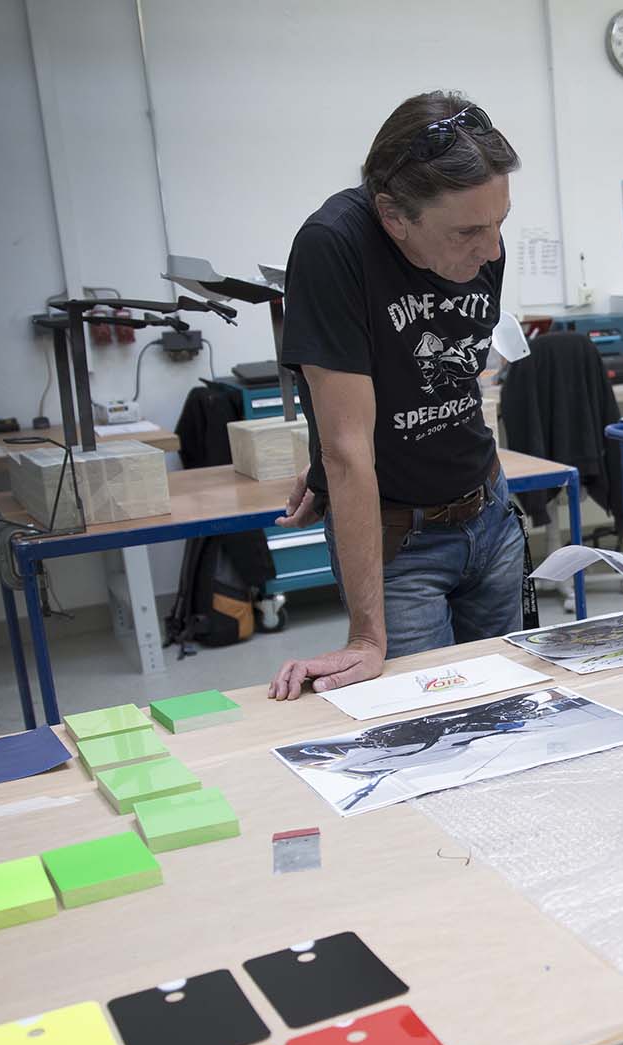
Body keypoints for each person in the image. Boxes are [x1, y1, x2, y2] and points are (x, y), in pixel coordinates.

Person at [268, 91, 525, 701]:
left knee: (511, 710)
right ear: (393, 216)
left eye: (500, 223)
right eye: (469, 232)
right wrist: (365, 637)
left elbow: (436, 377)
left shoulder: (479, 236)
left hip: (488, 511)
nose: (492, 250)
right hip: (400, 544)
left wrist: (331, 461)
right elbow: (349, 447)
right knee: (431, 721)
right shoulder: (333, 246)